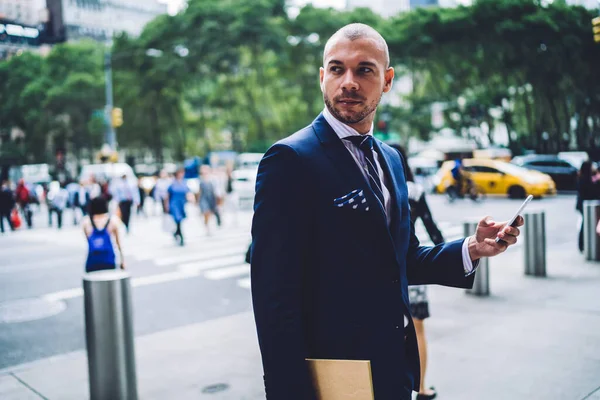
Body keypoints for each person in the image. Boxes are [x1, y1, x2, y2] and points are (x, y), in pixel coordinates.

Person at [250, 23, 524, 400]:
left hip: (393, 369)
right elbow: (273, 296)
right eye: (336, 68)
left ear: (387, 80)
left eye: (364, 70)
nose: (348, 81)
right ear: (321, 77)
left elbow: (402, 259)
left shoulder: (391, 159)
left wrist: (473, 249)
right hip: (333, 376)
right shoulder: (290, 159)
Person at [392, 144, 444, 400]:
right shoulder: (416, 191)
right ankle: (422, 387)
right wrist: (443, 256)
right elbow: (432, 228)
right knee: (417, 331)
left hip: (388, 270)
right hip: (413, 271)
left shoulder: (381, 187)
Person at [82, 196, 124, 273]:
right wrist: (122, 260)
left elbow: (89, 241)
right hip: (108, 259)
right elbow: (118, 244)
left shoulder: (86, 222)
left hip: (92, 260)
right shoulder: (113, 220)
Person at [576, 161, 600, 252]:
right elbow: (591, 191)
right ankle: (582, 244)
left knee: (585, 224)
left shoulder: (584, 177)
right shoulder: (584, 179)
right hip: (585, 206)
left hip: (585, 205)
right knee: (585, 225)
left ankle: (583, 244)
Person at [165, 168, 190, 246]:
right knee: (178, 220)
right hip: (174, 204)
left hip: (181, 204)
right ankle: (181, 237)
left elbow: (188, 193)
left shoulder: (184, 182)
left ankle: (176, 233)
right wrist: (166, 206)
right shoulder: (172, 183)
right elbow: (167, 196)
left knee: (180, 221)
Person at [198, 165, 221, 235]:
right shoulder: (200, 180)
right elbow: (199, 192)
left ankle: (210, 224)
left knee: (211, 213)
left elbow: (216, 191)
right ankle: (207, 227)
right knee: (206, 212)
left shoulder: (212, 179)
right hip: (204, 199)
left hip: (211, 198)